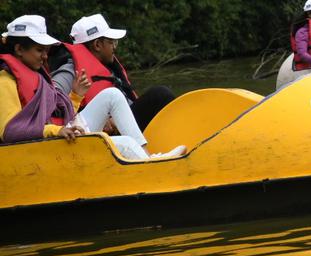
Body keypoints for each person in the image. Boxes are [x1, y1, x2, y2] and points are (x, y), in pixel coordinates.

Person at [0, 16, 183, 159]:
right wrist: (55, 131)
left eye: (46, 51)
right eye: (39, 50)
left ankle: (149, 157)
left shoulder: (36, 74)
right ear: (19, 49)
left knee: (112, 94)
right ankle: (152, 165)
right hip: (48, 146)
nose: (45, 57)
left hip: (62, 135)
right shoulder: (5, 82)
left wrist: (75, 97)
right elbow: (10, 131)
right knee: (126, 143)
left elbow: (56, 116)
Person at [48, 14, 176, 131]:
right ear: (97, 45)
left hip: (123, 125)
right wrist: (99, 118)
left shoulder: (109, 69)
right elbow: (49, 104)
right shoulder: (70, 72)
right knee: (160, 95)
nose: (114, 46)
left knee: (161, 99)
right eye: (111, 42)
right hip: (101, 134)